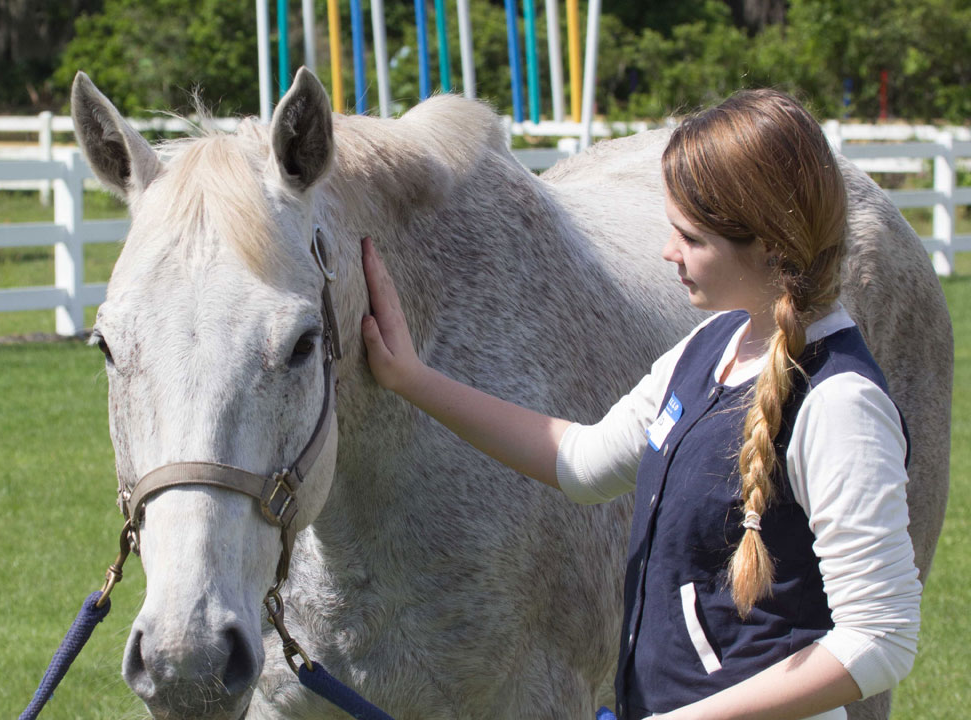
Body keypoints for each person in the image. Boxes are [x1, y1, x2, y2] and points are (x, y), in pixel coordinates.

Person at [359, 88, 921, 720]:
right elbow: (582, 460)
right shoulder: (713, 345)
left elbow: (880, 638)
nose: (668, 253)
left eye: (690, 237)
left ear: (767, 245)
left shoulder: (840, 404)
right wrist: (411, 379)